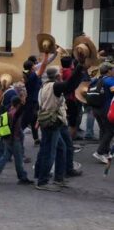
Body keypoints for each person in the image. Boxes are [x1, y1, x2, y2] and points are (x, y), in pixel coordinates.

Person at [34, 62, 84, 191]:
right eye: (60, 74)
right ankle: (42, 181)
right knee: (49, 152)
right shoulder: (54, 86)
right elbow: (70, 85)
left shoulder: (46, 86)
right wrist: (80, 67)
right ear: (57, 76)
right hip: (52, 122)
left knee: (61, 148)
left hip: (51, 121)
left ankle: (58, 178)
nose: (62, 76)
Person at [0, 89, 34, 185]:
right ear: (18, 104)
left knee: (5, 156)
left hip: (7, 138)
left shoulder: (9, 110)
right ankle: (22, 177)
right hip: (14, 139)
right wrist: (24, 99)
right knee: (19, 158)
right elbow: (25, 107)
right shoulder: (16, 113)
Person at [23, 53, 49, 145]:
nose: (35, 66)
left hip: (31, 100)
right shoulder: (32, 75)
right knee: (35, 119)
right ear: (32, 67)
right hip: (34, 101)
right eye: (34, 65)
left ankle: (36, 138)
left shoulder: (26, 75)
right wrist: (46, 55)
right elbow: (43, 67)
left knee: (33, 119)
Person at [91, 62, 114, 164]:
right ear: (109, 71)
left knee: (103, 130)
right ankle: (99, 152)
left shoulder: (97, 79)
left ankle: (105, 150)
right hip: (106, 110)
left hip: (96, 109)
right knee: (110, 131)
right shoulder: (109, 81)